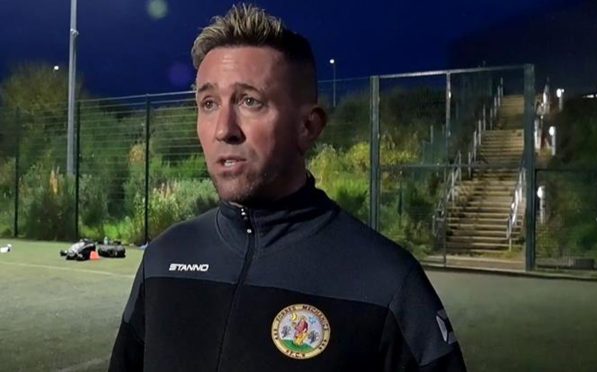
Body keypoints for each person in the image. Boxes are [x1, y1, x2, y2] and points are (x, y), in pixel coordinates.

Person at [109, 4, 466, 371]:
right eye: (209, 103)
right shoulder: (163, 257)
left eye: (250, 101)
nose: (223, 129)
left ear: (308, 127)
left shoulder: (387, 281)